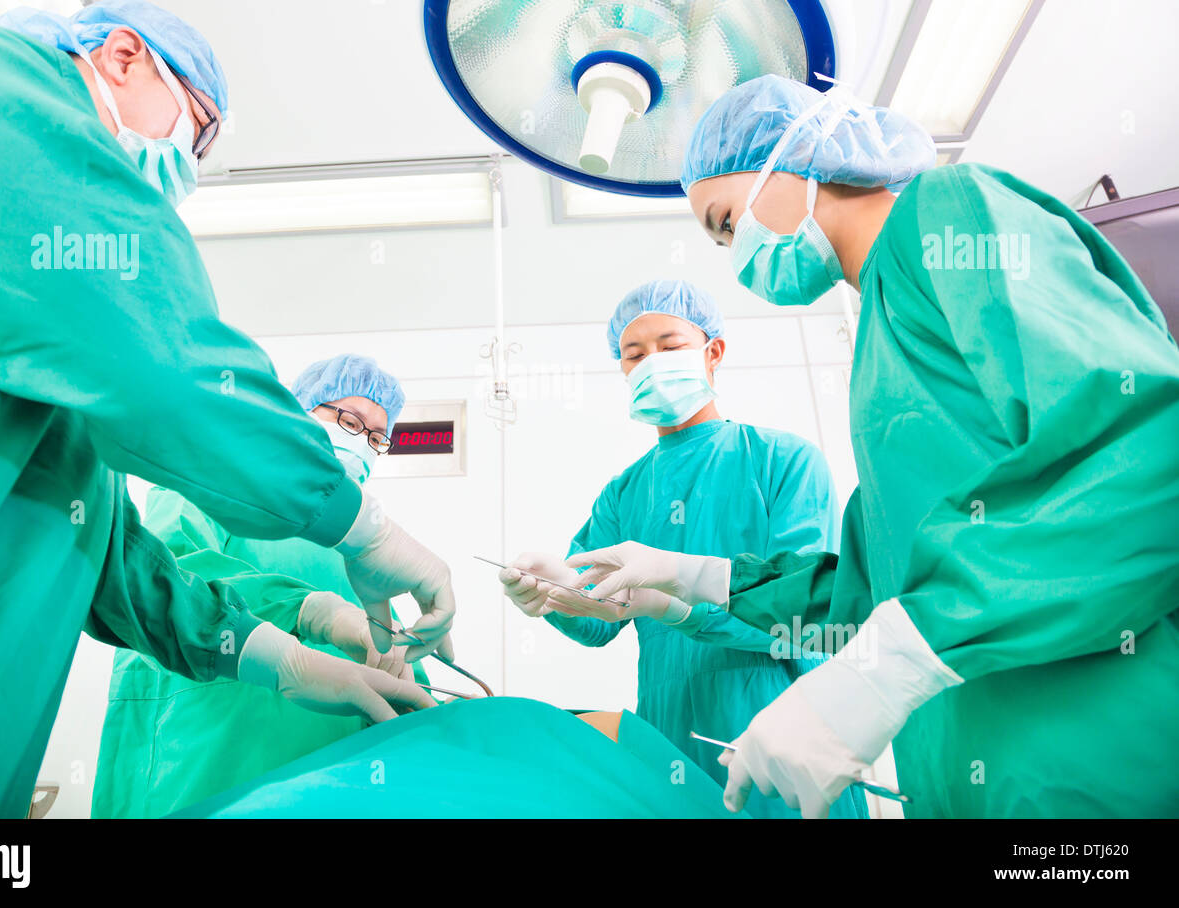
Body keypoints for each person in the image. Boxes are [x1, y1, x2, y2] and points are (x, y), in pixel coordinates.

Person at [0, 0, 452, 817]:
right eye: (198, 129)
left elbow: (113, 559)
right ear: (121, 56)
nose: (188, 165)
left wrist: (274, 656)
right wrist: (362, 528)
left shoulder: (48, 362)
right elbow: (164, 364)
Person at [563, 74, 1179, 818]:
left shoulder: (945, 215)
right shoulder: (877, 352)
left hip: (1094, 756)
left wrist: (888, 668)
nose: (738, 252)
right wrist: (696, 576)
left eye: (728, 222)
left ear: (795, 157)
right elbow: (870, 585)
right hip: (971, 776)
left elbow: (1148, 452)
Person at [499, 279, 867, 818]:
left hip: (780, 723)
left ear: (712, 352)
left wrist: (679, 610)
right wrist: (554, 592)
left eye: (671, 347)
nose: (652, 363)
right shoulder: (624, 493)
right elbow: (599, 621)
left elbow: (807, 615)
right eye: (634, 354)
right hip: (668, 732)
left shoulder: (783, 460)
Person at [94, 355, 433, 818]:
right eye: (350, 421)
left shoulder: (357, 548)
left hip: (328, 776)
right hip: (209, 751)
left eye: (377, 437)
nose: (364, 446)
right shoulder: (216, 476)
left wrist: (428, 701)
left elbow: (385, 653)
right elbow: (167, 574)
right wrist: (308, 611)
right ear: (301, 412)